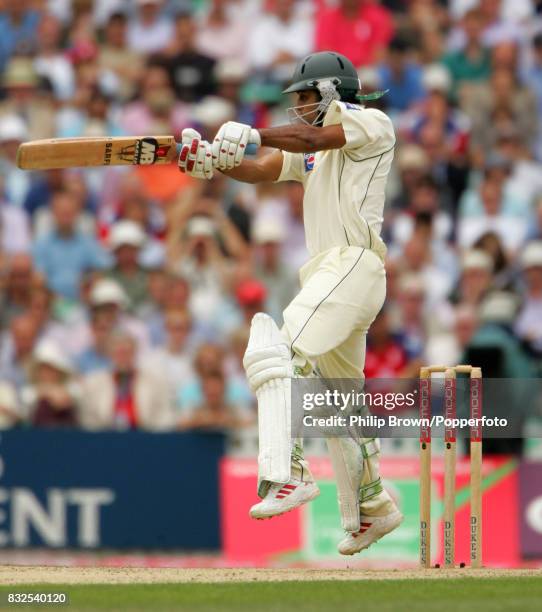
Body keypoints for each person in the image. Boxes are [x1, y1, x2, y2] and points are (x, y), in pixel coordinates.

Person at [178, 51, 402, 556]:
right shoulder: (312, 153)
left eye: (303, 98)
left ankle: (289, 472)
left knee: (276, 352)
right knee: (337, 399)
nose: (296, 109)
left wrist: (253, 131)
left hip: (352, 263)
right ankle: (374, 508)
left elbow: (310, 136)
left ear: (328, 93)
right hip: (333, 273)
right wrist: (213, 163)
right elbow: (260, 170)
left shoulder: (370, 123)